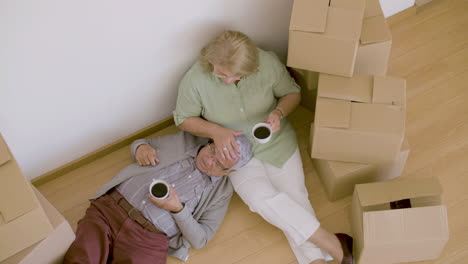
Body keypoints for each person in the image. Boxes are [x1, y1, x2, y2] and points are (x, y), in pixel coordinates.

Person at [173, 30, 353, 264]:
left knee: (295, 199)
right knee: (260, 200)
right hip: (234, 154)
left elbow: (292, 93)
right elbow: (183, 118)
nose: (227, 80)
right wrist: (216, 132)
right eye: (221, 75)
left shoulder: (266, 62)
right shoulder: (195, 80)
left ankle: (316, 261)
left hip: (277, 143)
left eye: (235, 76)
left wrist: (279, 112)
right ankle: (333, 245)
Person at [63, 131, 253, 264]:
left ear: (229, 172)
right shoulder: (185, 142)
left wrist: (178, 209)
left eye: (219, 165)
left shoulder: (222, 191)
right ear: (211, 142)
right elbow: (141, 144)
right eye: (212, 151)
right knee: (82, 259)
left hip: (148, 240)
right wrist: (141, 148)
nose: (209, 160)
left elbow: (200, 239)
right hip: (110, 209)